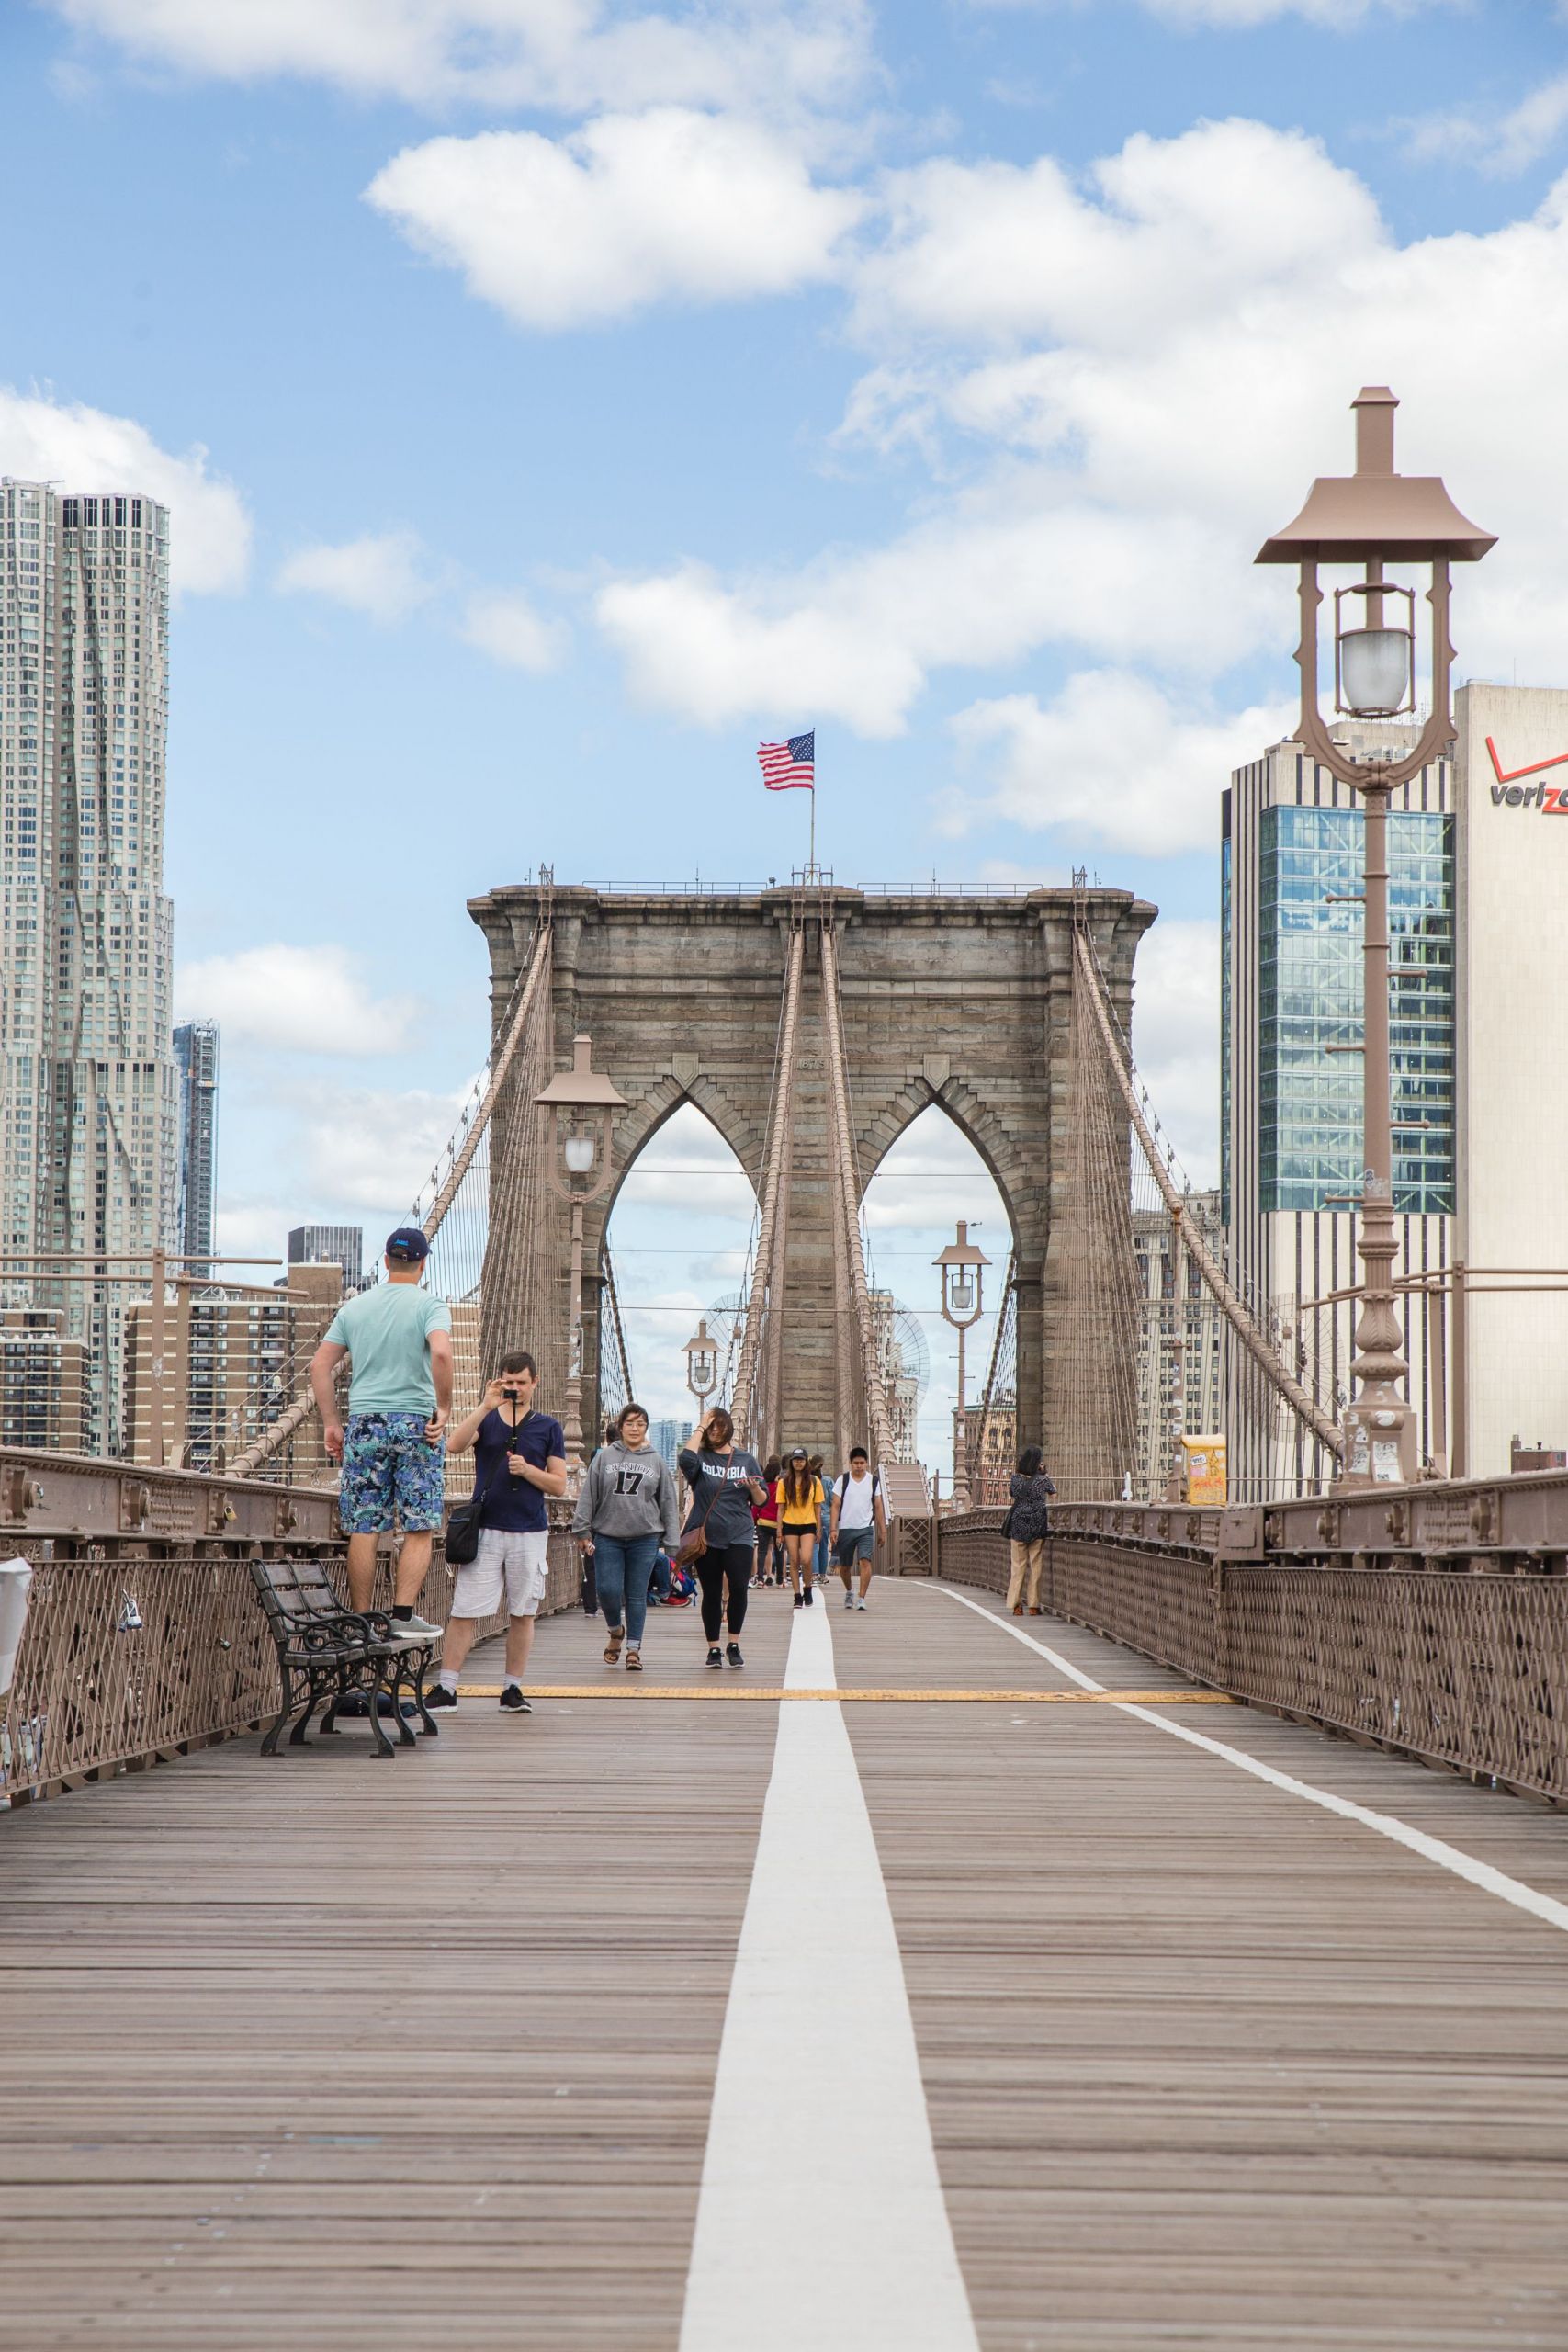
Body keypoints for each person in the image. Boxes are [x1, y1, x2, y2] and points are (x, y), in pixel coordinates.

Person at [310, 1226, 453, 1643]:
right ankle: (403, 1615)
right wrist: (443, 1407)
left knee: (364, 1526)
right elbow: (441, 1352)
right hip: (416, 1425)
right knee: (420, 1525)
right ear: (423, 1264)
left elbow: (321, 1366)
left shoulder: (356, 1308)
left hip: (366, 1424)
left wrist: (332, 1422)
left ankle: (360, 1621)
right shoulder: (430, 1304)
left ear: (387, 1261)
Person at [426, 1351, 566, 1712]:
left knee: (523, 1612)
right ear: (500, 1381)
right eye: (509, 1382)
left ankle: (512, 1689)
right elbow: (454, 1445)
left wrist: (528, 1472)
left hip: (530, 1531)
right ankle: (447, 1688)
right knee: (465, 1609)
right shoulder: (487, 1420)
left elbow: (559, 1485)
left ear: (535, 1382)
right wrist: (485, 1406)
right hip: (485, 1529)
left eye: (521, 1382)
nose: (515, 1388)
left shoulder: (549, 1427)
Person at [572, 1402, 681, 1670]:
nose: (635, 1428)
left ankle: (634, 1649)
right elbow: (589, 1495)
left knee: (635, 1595)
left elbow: (668, 1501)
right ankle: (615, 1630)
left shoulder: (656, 1460)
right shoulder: (604, 1457)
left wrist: (672, 1544)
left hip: (645, 1537)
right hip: (607, 1535)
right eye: (629, 1423)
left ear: (646, 1428)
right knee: (607, 1590)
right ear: (620, 1427)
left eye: (640, 1424)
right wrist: (582, 1530)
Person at [678, 1408, 767, 1669]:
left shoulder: (745, 1459)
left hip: (739, 1533)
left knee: (739, 1587)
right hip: (707, 1537)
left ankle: (734, 1644)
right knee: (712, 1592)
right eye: (710, 1427)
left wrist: (753, 1488)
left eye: (718, 1426)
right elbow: (685, 1459)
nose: (714, 1431)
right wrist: (701, 1425)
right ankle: (714, 1648)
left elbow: (761, 1501)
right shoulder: (701, 1458)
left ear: (728, 1427)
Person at [1007, 1446, 1056, 1616]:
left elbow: (1013, 1494)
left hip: (1018, 1524)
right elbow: (1054, 1494)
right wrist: (1044, 1474)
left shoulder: (1015, 1479)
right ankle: (1034, 1606)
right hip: (1037, 1524)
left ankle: (1016, 1605)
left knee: (1018, 1566)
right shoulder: (1042, 1480)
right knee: (1036, 1565)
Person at [779, 1445, 826, 1607]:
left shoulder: (814, 1481)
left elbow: (818, 1508)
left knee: (806, 1559)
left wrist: (819, 1528)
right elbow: (781, 1508)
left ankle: (807, 1589)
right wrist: (779, 1530)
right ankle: (797, 1596)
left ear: (806, 1463)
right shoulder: (783, 1483)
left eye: (801, 1460)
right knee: (794, 1560)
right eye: (796, 1460)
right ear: (791, 1463)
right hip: (790, 1524)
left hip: (808, 1524)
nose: (798, 1463)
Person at [751, 1456, 782, 1588]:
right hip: (777, 1524)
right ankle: (780, 1580)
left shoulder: (762, 1488)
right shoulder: (781, 1487)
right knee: (779, 1551)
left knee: (762, 1551)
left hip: (762, 1523)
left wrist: (754, 1520)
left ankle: (760, 1579)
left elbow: (757, 1505)